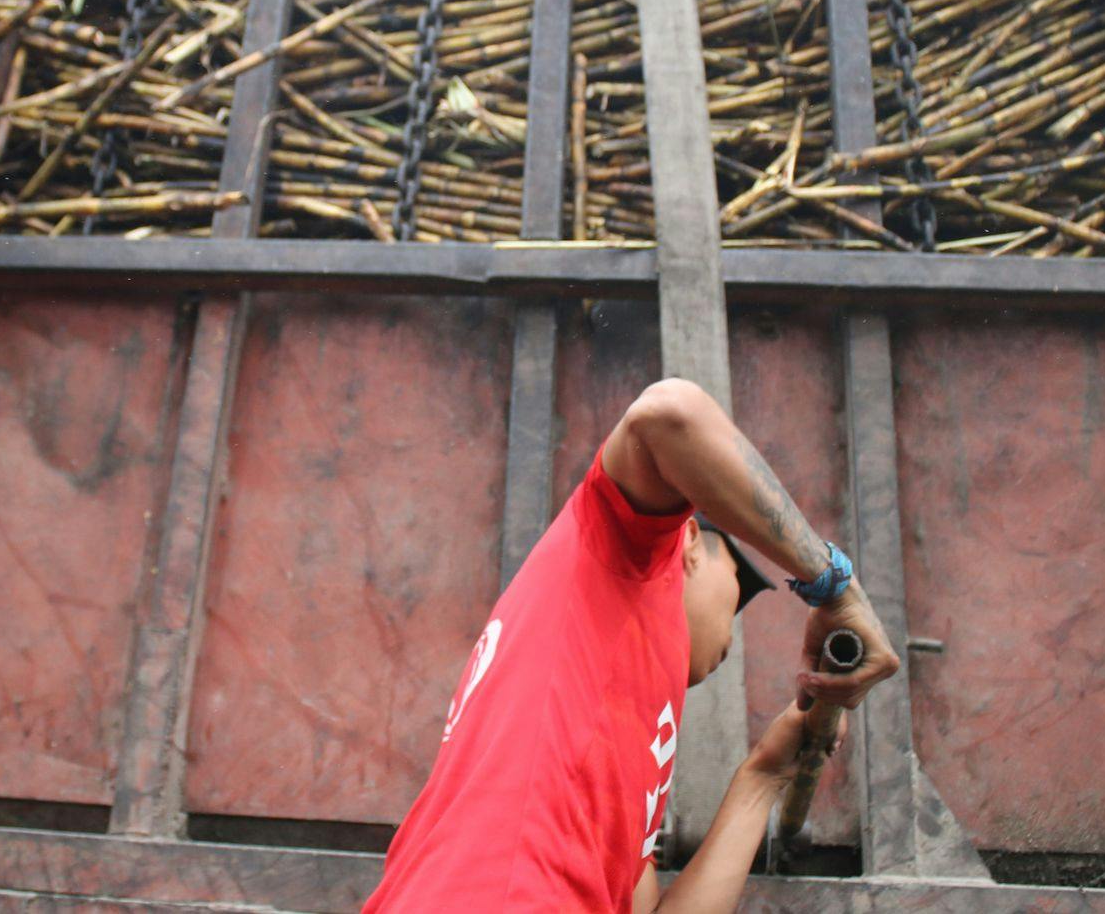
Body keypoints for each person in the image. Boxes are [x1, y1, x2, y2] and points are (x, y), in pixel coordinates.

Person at [363, 376, 901, 912]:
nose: (732, 637)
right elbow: (671, 414)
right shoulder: (623, 550)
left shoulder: (615, 727)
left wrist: (763, 776)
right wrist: (835, 587)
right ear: (690, 540)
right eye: (739, 591)